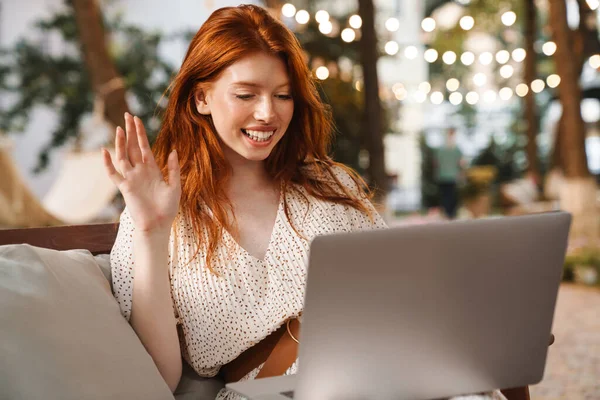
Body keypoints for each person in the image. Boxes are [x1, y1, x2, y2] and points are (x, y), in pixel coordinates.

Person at [105, 5, 506, 400]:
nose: (267, 113)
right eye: (246, 94)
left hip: (389, 370)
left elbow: (401, 292)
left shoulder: (329, 185)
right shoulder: (156, 214)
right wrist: (152, 232)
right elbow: (159, 376)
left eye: (283, 96)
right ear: (201, 99)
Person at [433, 127, 464, 219]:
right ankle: (450, 214)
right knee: (450, 197)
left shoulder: (442, 149)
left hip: (447, 176)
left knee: (447, 196)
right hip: (449, 176)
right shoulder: (454, 149)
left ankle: (448, 214)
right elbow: (461, 163)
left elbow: (436, 163)